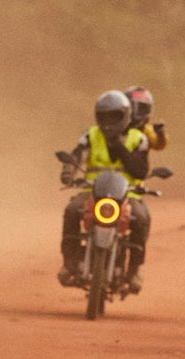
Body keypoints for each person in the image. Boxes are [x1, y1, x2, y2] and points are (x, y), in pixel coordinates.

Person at [58, 90, 151, 292]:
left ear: (125, 116)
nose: (109, 121)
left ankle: (134, 269)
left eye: (114, 116)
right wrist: (68, 170)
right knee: (72, 210)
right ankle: (69, 261)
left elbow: (141, 170)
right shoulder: (90, 135)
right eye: (104, 116)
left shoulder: (138, 138)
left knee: (142, 217)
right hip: (92, 190)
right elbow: (76, 155)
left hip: (128, 194)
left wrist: (119, 147)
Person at [126, 85, 168, 151]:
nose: (142, 112)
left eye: (144, 108)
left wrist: (160, 135)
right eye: (140, 108)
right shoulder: (117, 126)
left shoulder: (146, 130)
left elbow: (158, 145)